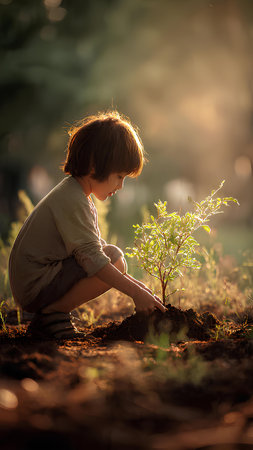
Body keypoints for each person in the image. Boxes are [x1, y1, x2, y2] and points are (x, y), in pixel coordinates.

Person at [8, 110, 166, 339]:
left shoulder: (77, 195)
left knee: (112, 255)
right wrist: (134, 293)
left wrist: (142, 291)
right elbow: (94, 261)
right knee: (114, 260)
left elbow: (94, 251)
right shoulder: (72, 199)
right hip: (35, 286)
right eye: (119, 176)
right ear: (94, 166)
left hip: (39, 281)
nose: (121, 186)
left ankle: (52, 313)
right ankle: (53, 313)